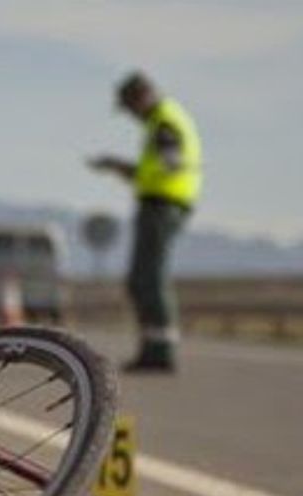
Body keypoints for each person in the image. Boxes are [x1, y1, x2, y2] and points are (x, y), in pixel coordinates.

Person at [89, 72, 203, 373]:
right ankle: (154, 347)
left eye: (129, 107)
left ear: (141, 98)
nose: (130, 115)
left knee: (148, 278)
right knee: (143, 278)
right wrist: (119, 167)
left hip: (163, 204)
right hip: (162, 202)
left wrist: (130, 169)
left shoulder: (164, 121)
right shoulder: (161, 121)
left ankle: (160, 350)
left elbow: (169, 164)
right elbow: (153, 169)